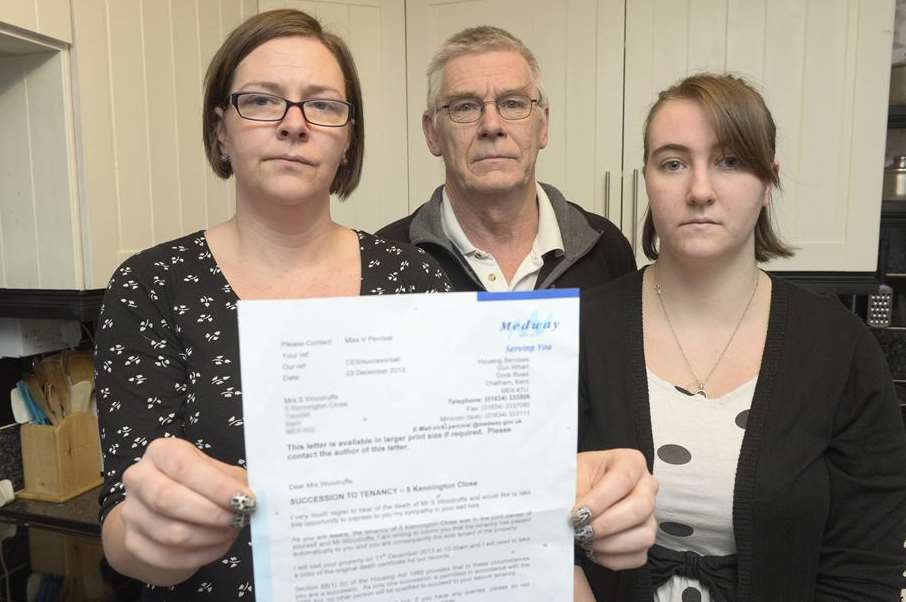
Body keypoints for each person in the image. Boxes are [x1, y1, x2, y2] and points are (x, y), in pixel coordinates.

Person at [94, 10, 656, 601]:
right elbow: (121, 520)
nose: (293, 125)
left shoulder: (412, 276)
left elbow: (469, 487)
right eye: (262, 101)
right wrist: (147, 540)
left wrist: (558, 552)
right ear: (220, 130)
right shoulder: (153, 285)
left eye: (322, 105)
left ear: (348, 137)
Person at [577, 72, 906, 601]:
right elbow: (531, 529)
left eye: (730, 162)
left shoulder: (840, 349)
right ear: (646, 180)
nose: (700, 190)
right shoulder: (581, 331)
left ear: (769, 179)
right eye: (673, 163)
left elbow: (864, 573)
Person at [377, 26, 636, 292]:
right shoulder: (384, 260)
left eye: (513, 103)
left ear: (543, 125)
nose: (491, 125)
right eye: (464, 106)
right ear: (432, 133)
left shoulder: (608, 250)